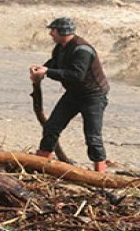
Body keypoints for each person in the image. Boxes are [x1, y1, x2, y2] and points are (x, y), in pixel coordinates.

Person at [30, 17, 110, 172]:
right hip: (74, 94)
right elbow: (54, 63)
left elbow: (76, 75)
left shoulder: (82, 50)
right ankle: (40, 164)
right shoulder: (60, 47)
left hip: (93, 96)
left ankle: (101, 174)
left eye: (53, 30)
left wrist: (48, 71)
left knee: (93, 137)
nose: (50, 34)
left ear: (63, 31)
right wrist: (41, 69)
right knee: (51, 127)